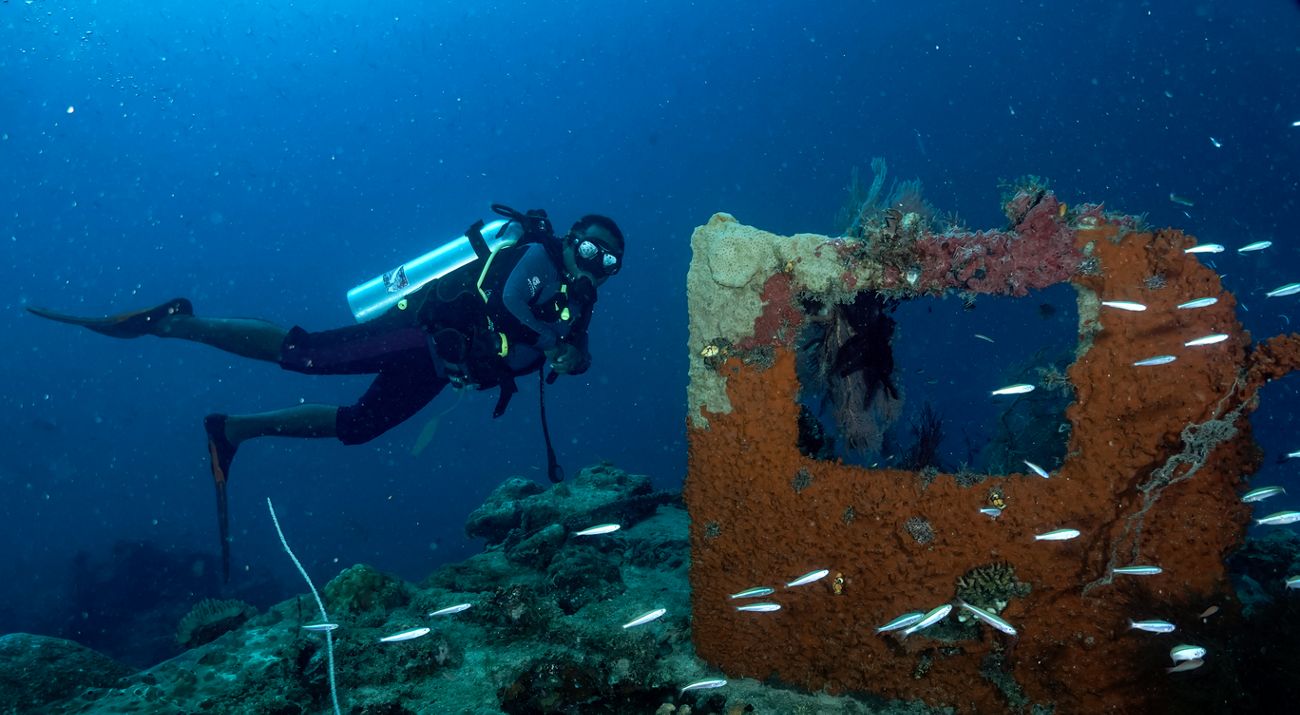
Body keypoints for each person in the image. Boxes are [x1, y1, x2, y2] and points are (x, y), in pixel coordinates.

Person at [28, 205, 625, 579]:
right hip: (418, 337)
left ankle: (231, 429)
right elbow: (505, 303)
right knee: (306, 354)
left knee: (357, 427)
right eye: (591, 249)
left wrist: (576, 355)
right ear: (572, 238)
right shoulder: (534, 255)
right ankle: (175, 321)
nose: (595, 265)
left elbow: (569, 348)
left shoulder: (580, 302)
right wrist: (554, 343)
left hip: (440, 370)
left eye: (609, 264)